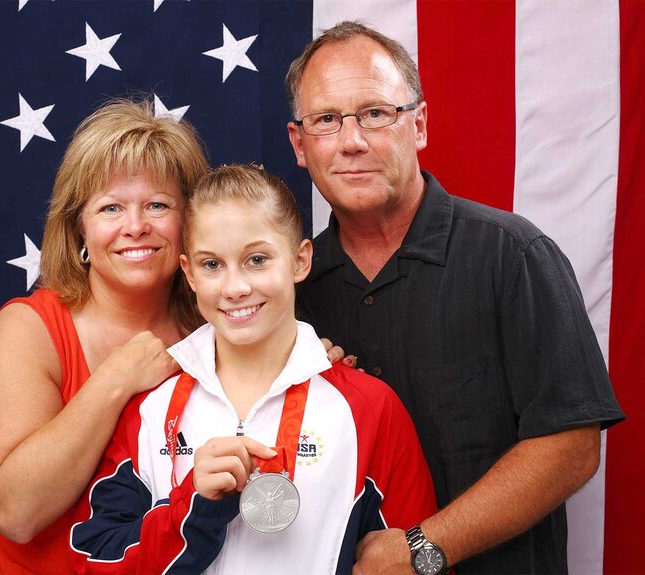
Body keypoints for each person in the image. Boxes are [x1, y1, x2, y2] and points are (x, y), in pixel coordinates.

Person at [285, 21, 625, 575]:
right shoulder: (288, 293)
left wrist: (423, 549)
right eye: (327, 120)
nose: (352, 140)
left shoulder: (513, 256)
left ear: (417, 124)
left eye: (375, 113)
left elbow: (571, 445)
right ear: (301, 145)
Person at [68, 164, 437, 574]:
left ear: (300, 261)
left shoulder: (369, 408)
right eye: (212, 265)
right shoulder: (149, 411)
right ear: (188, 273)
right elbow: (94, 560)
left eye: (257, 259)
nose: (235, 287)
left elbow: (411, 559)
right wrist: (194, 506)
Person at [0, 98, 209, 574]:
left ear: (189, 223)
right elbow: (16, 513)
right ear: (79, 230)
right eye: (111, 208)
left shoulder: (215, 334)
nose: (136, 227)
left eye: (157, 205)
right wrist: (116, 379)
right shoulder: (29, 327)